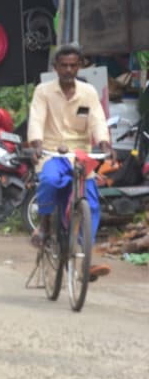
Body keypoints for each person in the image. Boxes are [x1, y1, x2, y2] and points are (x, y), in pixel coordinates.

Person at [27, 45, 112, 279]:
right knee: (50, 181)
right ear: (55, 68)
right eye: (63, 65)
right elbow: (36, 119)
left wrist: (105, 144)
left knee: (91, 203)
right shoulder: (43, 91)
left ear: (80, 66)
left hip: (80, 154)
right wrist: (36, 143)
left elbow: (97, 120)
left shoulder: (88, 92)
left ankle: (85, 259)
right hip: (52, 151)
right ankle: (44, 225)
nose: (68, 69)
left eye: (73, 65)